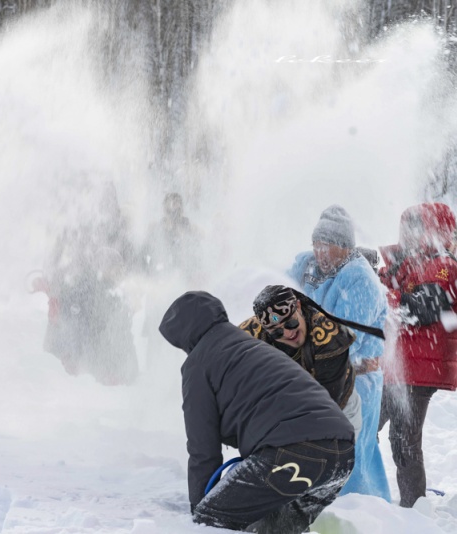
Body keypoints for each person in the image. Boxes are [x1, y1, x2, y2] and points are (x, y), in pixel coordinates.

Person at [160, 291, 354, 533]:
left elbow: (203, 450)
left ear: (181, 336)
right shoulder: (253, 346)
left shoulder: (198, 364)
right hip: (342, 455)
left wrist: (201, 510)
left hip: (293, 453)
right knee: (273, 527)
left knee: (212, 520)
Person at [287, 204, 391, 501]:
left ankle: (361, 514)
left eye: (327, 246)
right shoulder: (306, 267)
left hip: (355, 383)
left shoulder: (360, 283)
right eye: (316, 244)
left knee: (351, 455)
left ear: (345, 248)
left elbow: (342, 342)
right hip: (314, 378)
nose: (319, 252)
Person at [378, 202, 457, 507]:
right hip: (396, 367)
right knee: (364, 426)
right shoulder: (404, 265)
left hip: (421, 369)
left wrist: (384, 292)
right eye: (406, 227)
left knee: (404, 442)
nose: (409, 234)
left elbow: (419, 309)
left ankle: (413, 508)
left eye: (417, 227)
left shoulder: (445, 266)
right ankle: (364, 493)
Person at [42, 183, 138, 385]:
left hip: (106, 294)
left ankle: (113, 375)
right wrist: (54, 286)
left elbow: (131, 262)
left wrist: (122, 276)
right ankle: (73, 372)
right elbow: (55, 260)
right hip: (77, 292)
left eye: (108, 198)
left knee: (108, 330)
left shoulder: (120, 229)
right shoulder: (75, 226)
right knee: (75, 335)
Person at [240, 285, 363, 434]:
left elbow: (326, 407)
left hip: (340, 410)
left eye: (290, 323)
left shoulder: (328, 336)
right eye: (277, 332)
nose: (287, 333)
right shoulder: (251, 335)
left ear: (298, 306)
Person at [141, 192, 197, 362]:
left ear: (181, 207)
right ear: (164, 207)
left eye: (177, 203)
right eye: (170, 203)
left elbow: (197, 255)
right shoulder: (156, 228)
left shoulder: (188, 228)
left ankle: (178, 367)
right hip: (159, 283)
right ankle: (153, 365)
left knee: (182, 328)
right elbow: (144, 255)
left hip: (181, 285)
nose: (174, 207)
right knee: (156, 328)